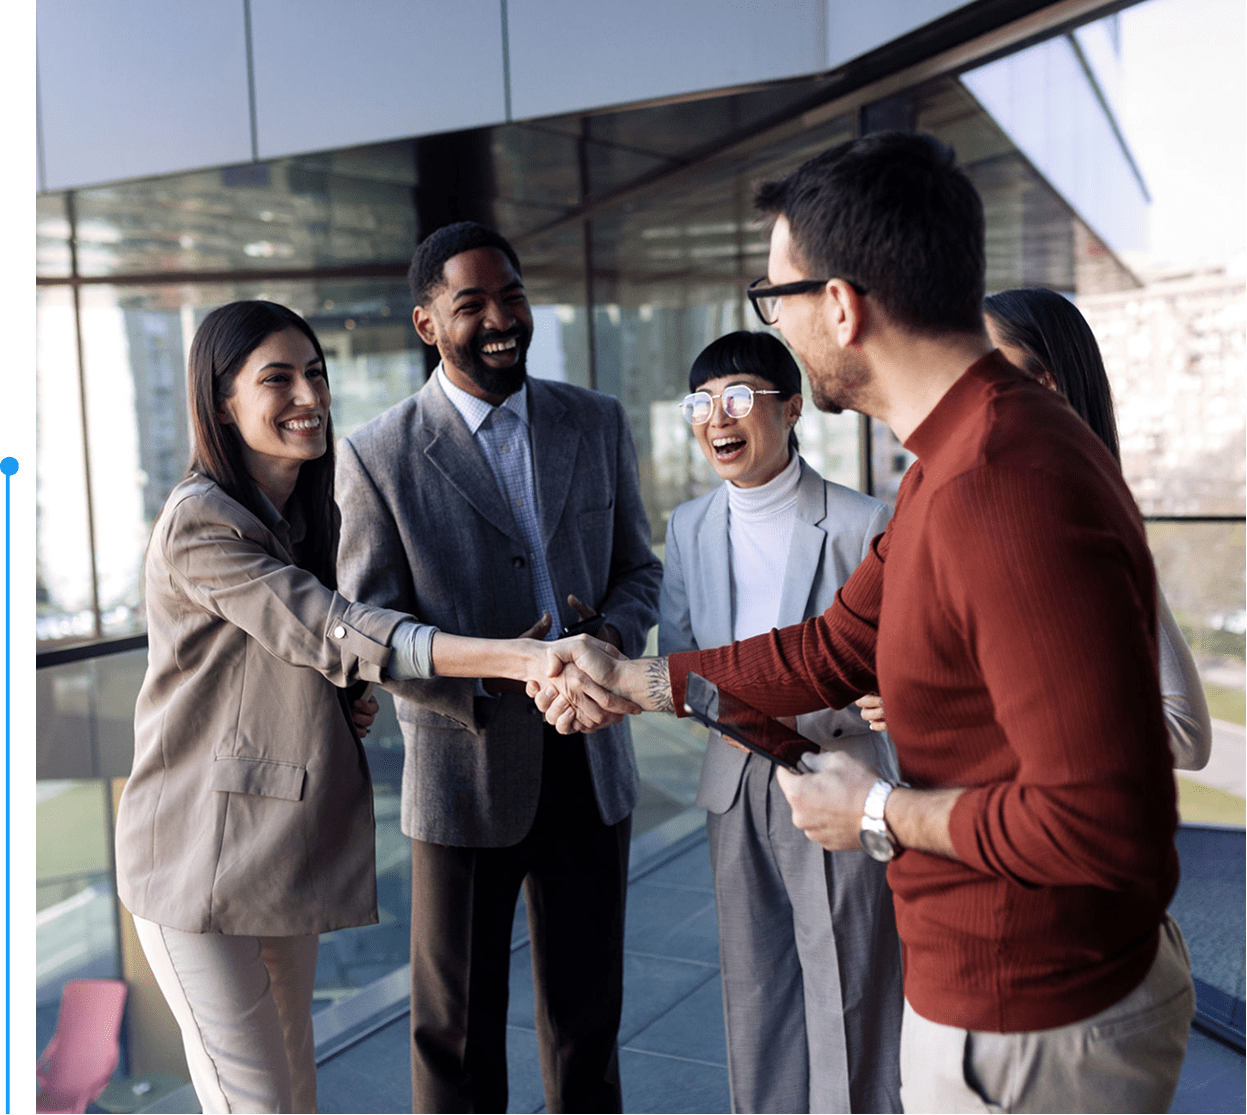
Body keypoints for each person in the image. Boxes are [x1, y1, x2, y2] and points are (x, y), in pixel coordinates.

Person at [533, 133, 1195, 1114]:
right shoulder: (948, 458)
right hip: (995, 1006)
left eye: (774, 298)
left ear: (837, 306)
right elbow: (830, 646)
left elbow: (1101, 825)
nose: (774, 324)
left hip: (1031, 1026)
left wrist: (877, 812)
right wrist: (627, 679)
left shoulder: (1000, 486)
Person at [334, 221, 662, 1114]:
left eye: (510, 295)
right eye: (469, 303)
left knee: (588, 1020)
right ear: (426, 322)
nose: (498, 318)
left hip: (592, 765)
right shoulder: (377, 453)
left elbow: (638, 570)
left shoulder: (594, 420)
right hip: (463, 770)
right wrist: (500, 674)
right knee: (457, 1034)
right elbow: (374, 630)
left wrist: (611, 646)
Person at [660, 330, 900, 1113]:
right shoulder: (688, 524)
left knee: (847, 988)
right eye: (700, 403)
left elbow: (900, 662)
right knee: (753, 985)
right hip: (733, 782)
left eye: (736, 398)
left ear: (791, 409)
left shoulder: (865, 523)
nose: (715, 419)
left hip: (835, 770)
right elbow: (677, 647)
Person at [983, 288, 1211, 770]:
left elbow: (1186, 734)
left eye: (984, 361)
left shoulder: (1072, 514)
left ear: (1043, 383)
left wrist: (969, 712)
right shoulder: (994, 505)